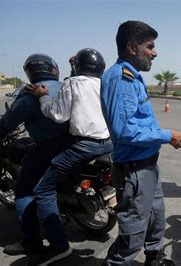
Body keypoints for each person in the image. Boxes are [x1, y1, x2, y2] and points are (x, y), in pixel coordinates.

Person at [100, 20, 181, 266]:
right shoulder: (122, 78)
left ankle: (154, 258)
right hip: (134, 169)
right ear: (132, 48)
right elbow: (124, 130)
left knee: (155, 216)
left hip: (147, 165)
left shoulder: (132, 77)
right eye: (150, 46)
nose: (155, 53)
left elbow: (140, 121)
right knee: (133, 233)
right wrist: (166, 135)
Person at [24, 48, 113, 265]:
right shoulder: (105, 84)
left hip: (84, 146)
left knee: (42, 190)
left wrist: (44, 97)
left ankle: (59, 247)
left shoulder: (71, 83)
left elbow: (58, 115)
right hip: (108, 144)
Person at [0, 54, 70, 256]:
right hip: (76, 144)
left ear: (30, 72)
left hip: (48, 147)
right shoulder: (66, 86)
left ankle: (31, 242)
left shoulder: (29, 94)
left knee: (24, 191)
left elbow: (8, 122)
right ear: (54, 68)